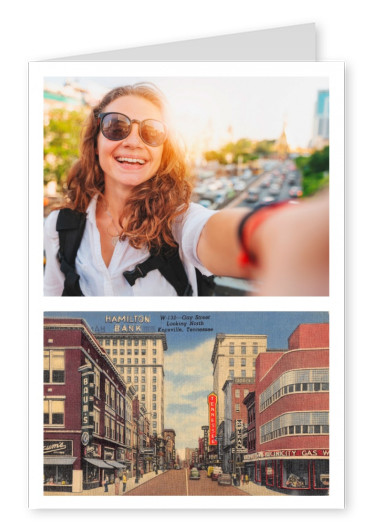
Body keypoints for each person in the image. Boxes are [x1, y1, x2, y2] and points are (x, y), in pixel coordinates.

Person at [44, 83, 329, 297]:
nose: (133, 141)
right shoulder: (59, 227)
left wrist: (277, 233)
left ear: (163, 151)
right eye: (116, 126)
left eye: (151, 131)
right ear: (95, 140)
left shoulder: (177, 222)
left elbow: (211, 232)